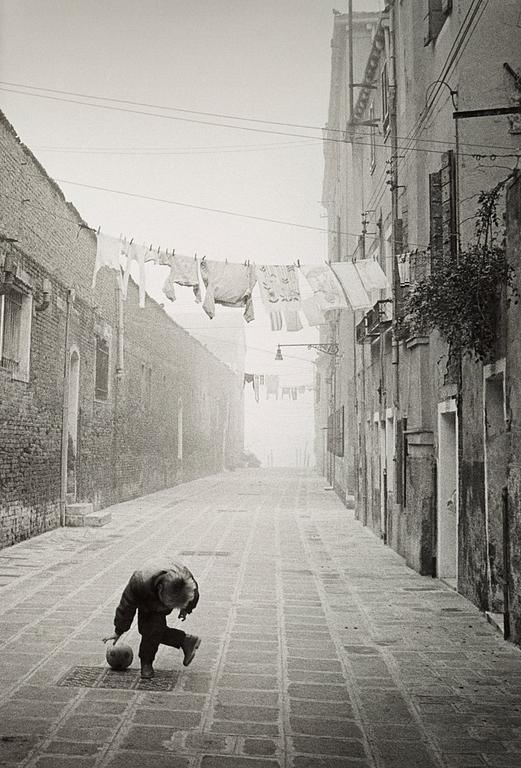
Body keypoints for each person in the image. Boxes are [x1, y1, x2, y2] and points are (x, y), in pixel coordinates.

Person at [103, 562, 201, 679]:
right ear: (160, 590)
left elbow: (194, 594)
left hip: (158, 596)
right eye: (169, 604)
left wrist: (186, 608)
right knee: (148, 629)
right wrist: (119, 630)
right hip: (147, 598)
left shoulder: (185, 580)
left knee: (152, 630)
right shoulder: (139, 583)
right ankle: (185, 640)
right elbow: (126, 606)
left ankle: (146, 663)